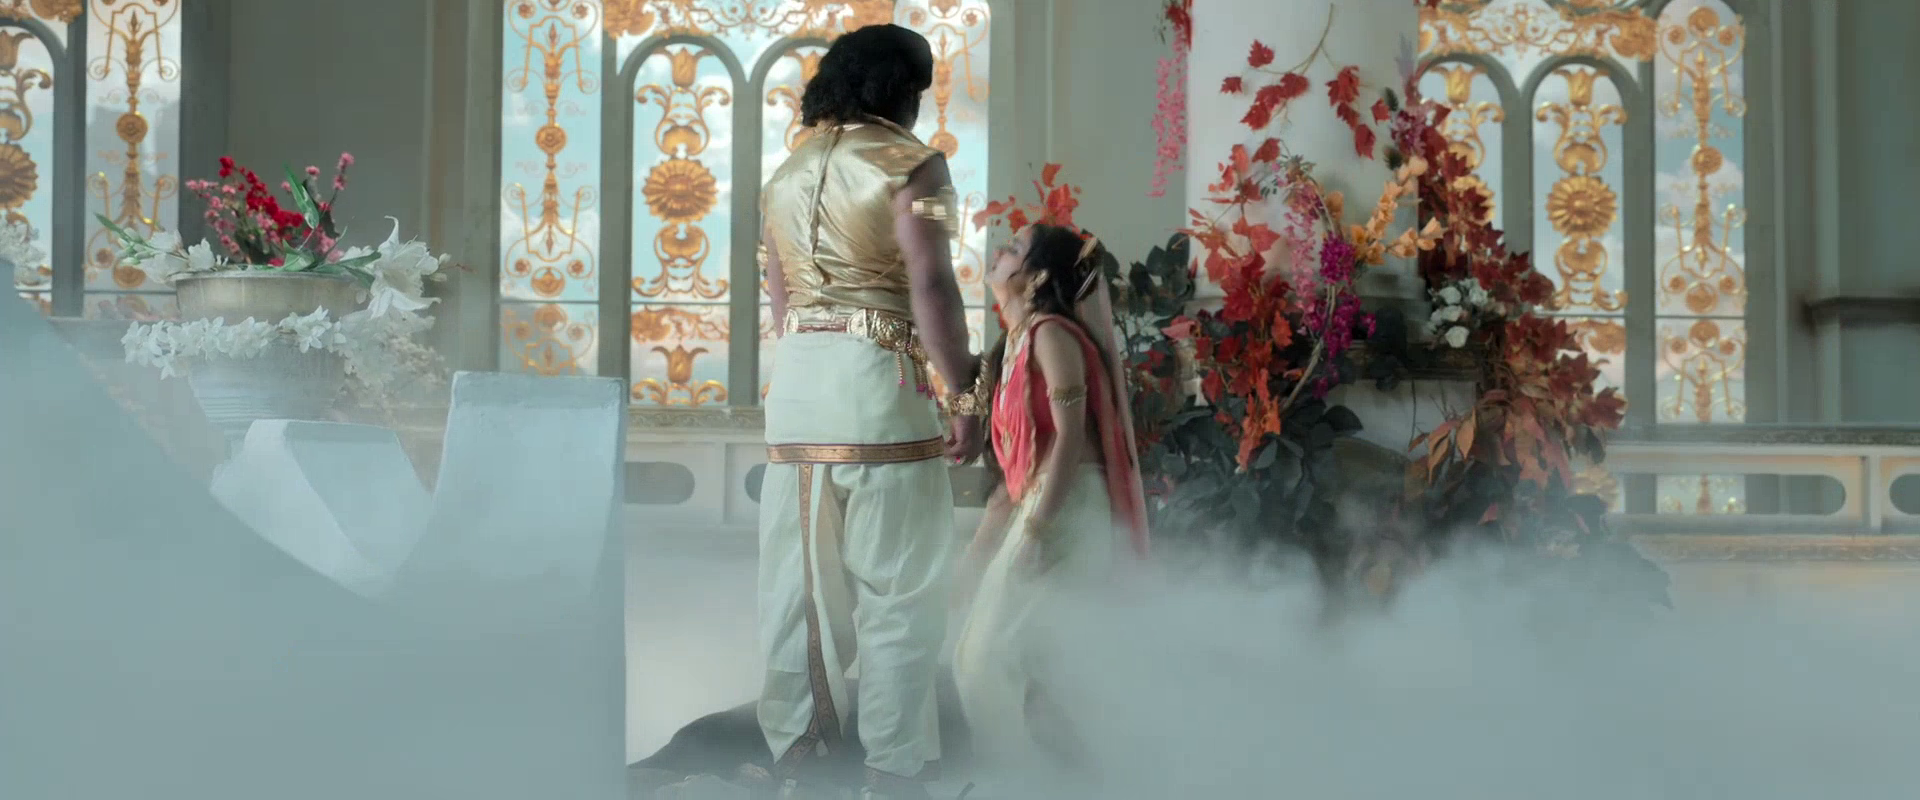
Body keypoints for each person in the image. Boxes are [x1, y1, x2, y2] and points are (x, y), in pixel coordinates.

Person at [755, 23, 988, 800]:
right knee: (899, 591)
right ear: (904, 90)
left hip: (798, 397)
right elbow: (932, 286)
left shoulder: (785, 173)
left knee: (799, 595)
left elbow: (781, 301)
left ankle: (801, 768)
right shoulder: (914, 164)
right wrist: (965, 396)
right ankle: (893, 772)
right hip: (884, 394)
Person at [950, 224, 1151, 783]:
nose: (998, 251)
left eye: (1014, 248)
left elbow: (1068, 441)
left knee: (989, 660)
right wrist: (975, 559)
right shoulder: (1018, 341)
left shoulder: (1051, 335)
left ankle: (1017, 781)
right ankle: (1051, 780)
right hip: (1042, 504)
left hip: (1069, 510)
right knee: (1004, 663)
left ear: (1036, 277)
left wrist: (1034, 534)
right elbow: (1014, 478)